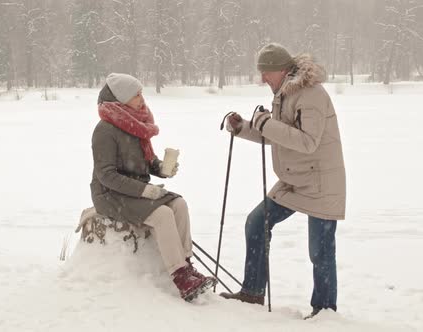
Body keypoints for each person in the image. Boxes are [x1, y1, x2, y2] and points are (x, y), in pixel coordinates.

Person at [220, 43, 346, 319]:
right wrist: (245, 128)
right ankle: (252, 292)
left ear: (282, 69)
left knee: (320, 250)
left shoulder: (309, 94)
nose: (262, 78)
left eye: (266, 73)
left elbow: (307, 142)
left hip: (320, 181)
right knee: (256, 222)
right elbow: (279, 134)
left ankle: (324, 310)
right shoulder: (284, 92)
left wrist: (265, 123)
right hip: (294, 178)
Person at [91, 73, 216, 301]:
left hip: (134, 189)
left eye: (141, 93)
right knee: (162, 214)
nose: (141, 98)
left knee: (179, 204)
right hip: (110, 194)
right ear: (121, 99)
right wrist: (144, 191)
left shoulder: (135, 123)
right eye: (136, 94)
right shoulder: (105, 130)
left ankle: (187, 264)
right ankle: (180, 276)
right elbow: (106, 175)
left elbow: (146, 162)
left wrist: (161, 168)